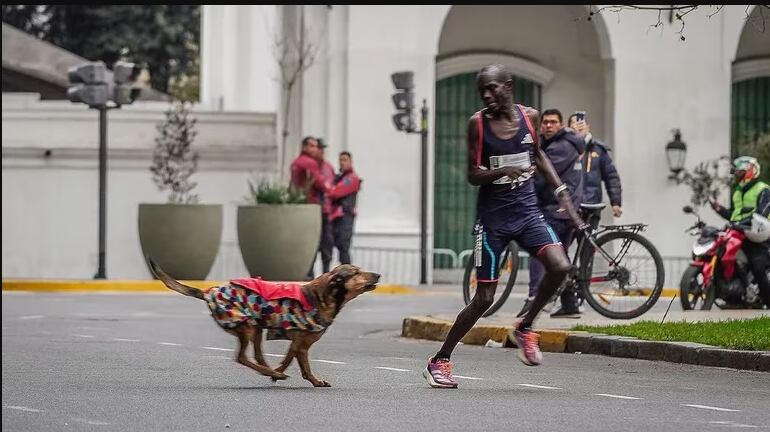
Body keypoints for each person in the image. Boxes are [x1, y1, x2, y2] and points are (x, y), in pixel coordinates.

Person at [423, 64, 587, 389]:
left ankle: (525, 327)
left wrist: (561, 192)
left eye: (493, 88)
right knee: (484, 298)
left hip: (527, 214)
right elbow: (471, 174)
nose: (487, 95)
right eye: (482, 90)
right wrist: (500, 173)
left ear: (508, 86)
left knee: (560, 266)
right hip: (493, 222)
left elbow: (539, 156)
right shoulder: (478, 124)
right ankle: (439, 360)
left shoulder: (530, 117)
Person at [516, 108, 585, 319]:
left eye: (553, 122)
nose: (547, 125)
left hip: (558, 210)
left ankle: (533, 296)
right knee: (559, 256)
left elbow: (541, 176)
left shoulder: (561, 146)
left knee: (541, 252)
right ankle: (570, 303)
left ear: (561, 125)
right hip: (563, 210)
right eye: (545, 122)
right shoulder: (557, 144)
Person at [709, 156, 770, 308]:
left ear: (751, 171)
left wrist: (742, 223)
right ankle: (732, 295)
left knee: (758, 267)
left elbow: (762, 213)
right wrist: (719, 209)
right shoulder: (737, 192)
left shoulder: (762, 189)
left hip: (757, 235)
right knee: (723, 255)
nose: (738, 174)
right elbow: (733, 215)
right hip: (738, 233)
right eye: (737, 172)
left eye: (741, 171)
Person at [567, 112, 623, 218]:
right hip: (570, 205)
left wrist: (615, 203)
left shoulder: (598, 149)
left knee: (589, 234)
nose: (578, 126)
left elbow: (611, 177)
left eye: (581, 122)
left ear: (588, 126)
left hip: (591, 205)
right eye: (574, 123)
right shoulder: (565, 148)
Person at [289, 136, 330, 280]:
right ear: (305, 147)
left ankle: (307, 273)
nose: (315, 149)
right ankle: (312, 274)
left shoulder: (295, 162)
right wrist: (330, 188)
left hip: (299, 205)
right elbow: (321, 183)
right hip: (313, 206)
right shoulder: (309, 162)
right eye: (312, 146)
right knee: (318, 242)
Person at [328, 151, 361, 266]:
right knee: (332, 245)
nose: (342, 163)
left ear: (351, 162)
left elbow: (336, 192)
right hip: (336, 216)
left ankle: (348, 274)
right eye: (340, 160)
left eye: (345, 160)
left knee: (343, 246)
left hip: (345, 216)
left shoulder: (351, 178)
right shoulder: (340, 178)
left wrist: (330, 189)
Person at [316, 139, 336, 273]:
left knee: (327, 246)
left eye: (323, 148)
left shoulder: (329, 167)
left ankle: (326, 273)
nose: (321, 151)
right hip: (314, 211)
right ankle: (307, 276)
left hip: (327, 212)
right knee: (311, 246)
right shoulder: (310, 167)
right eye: (319, 148)